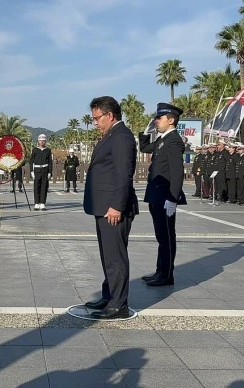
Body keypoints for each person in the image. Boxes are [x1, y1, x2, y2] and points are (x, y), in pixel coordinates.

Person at [83, 96, 138, 320]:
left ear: (110, 115)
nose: (95, 122)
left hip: (113, 209)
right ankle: (109, 295)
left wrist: (116, 205)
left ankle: (119, 304)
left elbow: (123, 174)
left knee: (115, 257)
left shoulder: (121, 137)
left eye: (97, 118)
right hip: (103, 207)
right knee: (108, 255)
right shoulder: (111, 135)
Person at [138, 103, 187, 287]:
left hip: (165, 196)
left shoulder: (173, 140)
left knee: (166, 236)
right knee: (161, 235)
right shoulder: (162, 139)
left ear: (171, 120)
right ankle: (160, 270)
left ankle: (166, 275)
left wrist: (173, 198)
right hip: (156, 195)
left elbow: (177, 172)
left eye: (160, 118)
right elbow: (144, 148)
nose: (157, 121)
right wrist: (146, 130)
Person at [30, 134, 52, 210]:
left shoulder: (48, 150)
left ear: (45, 141)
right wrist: (31, 171)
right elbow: (31, 161)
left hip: (45, 171)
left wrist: (50, 172)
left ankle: (42, 203)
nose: (42, 142)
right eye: (41, 141)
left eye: (43, 141)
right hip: (37, 171)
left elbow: (50, 162)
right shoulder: (35, 150)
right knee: (36, 187)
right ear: (38, 141)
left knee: (44, 187)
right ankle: (36, 203)